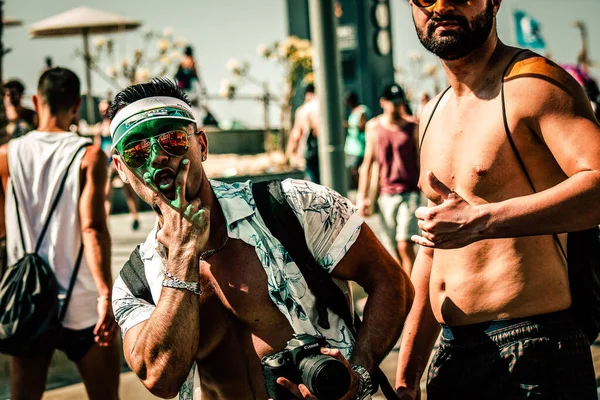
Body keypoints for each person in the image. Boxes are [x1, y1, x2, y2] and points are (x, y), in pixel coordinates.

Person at [108, 78, 414, 400]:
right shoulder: (136, 281)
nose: (157, 158)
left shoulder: (295, 205)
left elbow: (392, 282)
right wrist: (182, 257)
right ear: (121, 168)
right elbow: (160, 379)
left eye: (172, 139)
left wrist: (359, 374)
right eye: (137, 150)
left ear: (202, 144)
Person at [394, 1, 600, 399]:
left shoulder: (535, 84)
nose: (441, 6)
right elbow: (434, 250)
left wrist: (482, 221)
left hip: (533, 349)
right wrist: (408, 372)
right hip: (451, 354)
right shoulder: (432, 112)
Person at [0, 67, 119, 399]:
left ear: (37, 101)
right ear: (77, 105)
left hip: (29, 301)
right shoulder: (88, 155)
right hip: (80, 300)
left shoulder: (8, 155)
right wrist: (106, 295)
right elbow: (93, 228)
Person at [356, 83, 420, 277]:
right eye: (392, 101)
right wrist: (363, 197)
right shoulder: (374, 127)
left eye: (399, 101)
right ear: (383, 102)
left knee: (404, 244)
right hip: (385, 194)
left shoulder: (412, 127)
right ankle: (408, 286)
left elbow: (421, 158)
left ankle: (415, 299)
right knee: (393, 249)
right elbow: (368, 163)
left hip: (409, 192)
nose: (396, 105)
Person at [95, 98, 141, 230]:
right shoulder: (100, 127)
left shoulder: (115, 125)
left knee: (129, 191)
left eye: (105, 109)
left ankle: (134, 217)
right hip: (107, 163)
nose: (103, 112)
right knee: (106, 193)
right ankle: (106, 221)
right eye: (101, 110)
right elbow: (97, 146)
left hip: (119, 161)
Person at [287, 83, 321, 183]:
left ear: (307, 94)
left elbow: (296, 135)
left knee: (313, 183)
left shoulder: (302, 110)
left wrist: (290, 153)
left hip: (310, 151)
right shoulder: (323, 107)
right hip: (324, 150)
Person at [344, 91, 370, 189]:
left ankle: (362, 188)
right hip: (351, 147)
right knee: (352, 170)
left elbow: (363, 125)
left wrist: (349, 125)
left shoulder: (362, 110)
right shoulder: (353, 111)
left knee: (357, 170)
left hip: (359, 147)